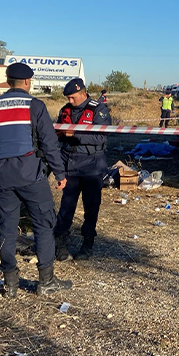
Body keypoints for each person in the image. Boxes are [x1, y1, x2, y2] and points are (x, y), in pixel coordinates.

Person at [0, 63, 71, 298]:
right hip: (31, 175)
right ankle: (46, 281)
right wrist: (60, 174)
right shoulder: (35, 106)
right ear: (27, 82)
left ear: (8, 81)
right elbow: (49, 143)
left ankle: (10, 285)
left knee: (6, 229)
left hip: (3, 177)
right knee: (43, 225)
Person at [54, 78, 112, 262]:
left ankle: (87, 244)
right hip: (70, 165)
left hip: (92, 166)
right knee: (66, 207)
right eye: (68, 98)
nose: (70, 101)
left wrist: (75, 134)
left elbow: (101, 137)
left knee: (91, 207)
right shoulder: (65, 111)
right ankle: (60, 243)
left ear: (83, 93)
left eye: (73, 97)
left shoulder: (98, 109)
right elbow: (58, 135)